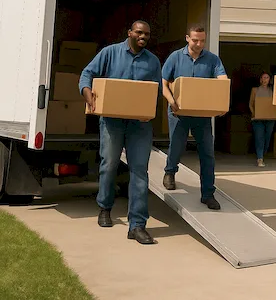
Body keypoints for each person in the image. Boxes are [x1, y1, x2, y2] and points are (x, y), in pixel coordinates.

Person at [80, 20, 162, 245]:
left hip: (140, 125)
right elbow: (86, 75)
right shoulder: (110, 53)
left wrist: (149, 111)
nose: (143, 36)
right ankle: (105, 208)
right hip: (112, 122)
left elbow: (156, 92)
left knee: (139, 171)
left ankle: (137, 225)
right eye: (139, 32)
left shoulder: (152, 61)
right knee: (109, 165)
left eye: (146, 34)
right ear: (130, 33)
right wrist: (87, 93)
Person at [161, 24, 228, 210]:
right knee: (177, 145)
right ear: (187, 38)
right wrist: (171, 101)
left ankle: (208, 194)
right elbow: (164, 82)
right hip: (178, 112)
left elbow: (222, 81)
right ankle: (170, 171)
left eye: (202, 40)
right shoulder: (175, 57)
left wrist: (222, 102)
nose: (199, 44)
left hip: (201, 114)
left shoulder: (212, 60)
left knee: (207, 154)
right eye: (195, 40)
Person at [249, 71, 276, 167]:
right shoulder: (255, 90)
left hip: (270, 118)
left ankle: (263, 153)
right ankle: (260, 158)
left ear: (269, 80)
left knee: (267, 137)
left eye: (267, 78)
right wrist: (254, 113)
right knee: (259, 137)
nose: (265, 79)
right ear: (260, 79)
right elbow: (251, 104)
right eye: (263, 77)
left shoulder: (272, 91)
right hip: (257, 119)